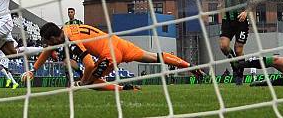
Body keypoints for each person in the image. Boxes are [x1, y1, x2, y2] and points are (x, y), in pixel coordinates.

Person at [22, 23, 204, 91]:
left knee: (90, 83)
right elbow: (47, 52)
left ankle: (126, 89)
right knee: (154, 57)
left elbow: (90, 64)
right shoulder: (65, 29)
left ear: (54, 38)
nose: (47, 46)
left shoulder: (72, 40)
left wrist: (82, 82)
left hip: (110, 55)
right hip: (118, 43)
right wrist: (34, 69)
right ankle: (189, 66)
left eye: (48, 42)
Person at [219, 0, 253, 85]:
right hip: (227, 20)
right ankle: (235, 65)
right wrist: (221, 4)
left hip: (241, 21)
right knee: (224, 46)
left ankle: (239, 75)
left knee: (238, 49)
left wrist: (245, 12)